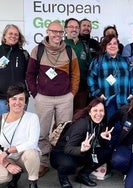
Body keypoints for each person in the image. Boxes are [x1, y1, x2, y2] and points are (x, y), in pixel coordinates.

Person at [26, 21, 80, 177]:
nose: (57, 35)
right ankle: (43, 163)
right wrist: (35, 93)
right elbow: (30, 75)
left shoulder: (69, 51)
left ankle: (62, 161)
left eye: (60, 32)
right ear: (47, 31)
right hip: (44, 98)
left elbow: (76, 75)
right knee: (42, 132)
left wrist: (72, 94)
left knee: (64, 132)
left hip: (65, 98)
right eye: (54, 31)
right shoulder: (38, 50)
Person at [50, 98, 113, 188]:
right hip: (62, 153)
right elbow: (68, 148)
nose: (98, 114)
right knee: (70, 165)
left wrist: (103, 138)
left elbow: (97, 143)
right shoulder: (82, 124)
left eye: (101, 111)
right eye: (95, 110)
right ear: (89, 112)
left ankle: (83, 175)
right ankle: (63, 178)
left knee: (106, 152)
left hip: (82, 151)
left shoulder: (101, 124)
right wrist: (81, 149)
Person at [0, 83, 40, 188]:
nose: (17, 102)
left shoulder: (32, 118)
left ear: (25, 102)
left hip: (24, 157)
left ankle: (33, 183)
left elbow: (33, 143)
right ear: (8, 101)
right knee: (3, 176)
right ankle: (13, 177)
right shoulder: (1, 119)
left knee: (32, 153)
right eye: (14, 99)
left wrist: (9, 150)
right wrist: (6, 164)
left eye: (21, 99)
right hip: (5, 158)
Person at [88, 34, 133, 121]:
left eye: (115, 43)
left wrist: (132, 94)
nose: (112, 46)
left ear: (118, 46)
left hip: (124, 101)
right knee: (110, 128)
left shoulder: (125, 60)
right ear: (105, 46)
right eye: (109, 44)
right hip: (107, 102)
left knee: (124, 129)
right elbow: (91, 79)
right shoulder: (98, 61)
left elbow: (132, 78)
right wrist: (98, 94)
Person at [64, 18, 92, 113]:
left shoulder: (84, 45)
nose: (74, 29)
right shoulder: (61, 45)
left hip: (82, 90)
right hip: (64, 90)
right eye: (71, 27)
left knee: (79, 117)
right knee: (63, 119)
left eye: (76, 27)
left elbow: (90, 65)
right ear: (65, 29)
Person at [0, 24, 29, 115]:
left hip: (19, 99)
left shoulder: (24, 54)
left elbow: (30, 74)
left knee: (19, 127)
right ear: (4, 36)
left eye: (16, 34)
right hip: (2, 99)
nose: (13, 36)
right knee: (3, 127)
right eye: (10, 33)